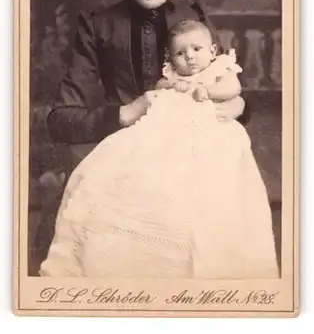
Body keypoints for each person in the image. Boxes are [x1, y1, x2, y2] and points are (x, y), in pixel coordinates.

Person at [35, 0, 250, 268]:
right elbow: (60, 119)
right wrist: (130, 110)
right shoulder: (97, 24)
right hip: (119, 165)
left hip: (190, 168)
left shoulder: (193, 21)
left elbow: (229, 90)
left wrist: (231, 106)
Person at [40, 20, 278, 279]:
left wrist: (207, 91)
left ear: (212, 52)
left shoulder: (220, 70)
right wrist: (171, 87)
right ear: (171, 58)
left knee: (211, 191)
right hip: (165, 133)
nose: (189, 56)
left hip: (209, 133)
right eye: (180, 53)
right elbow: (158, 89)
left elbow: (234, 88)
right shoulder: (173, 76)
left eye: (196, 49)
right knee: (121, 171)